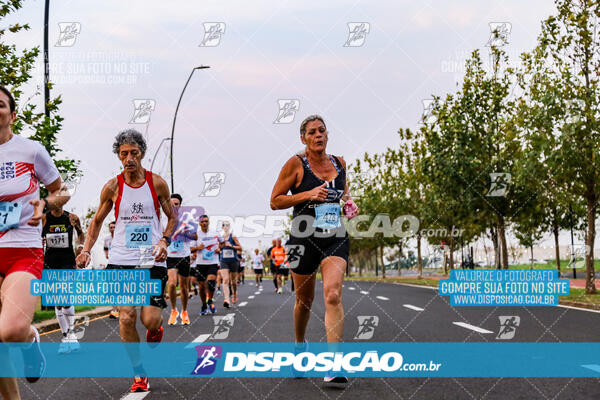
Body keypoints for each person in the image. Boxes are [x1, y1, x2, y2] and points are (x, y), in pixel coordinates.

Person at [76, 129, 176, 393]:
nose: (129, 158)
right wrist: (86, 250)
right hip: (121, 258)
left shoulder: (157, 184)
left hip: (151, 260)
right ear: (118, 156)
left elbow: (173, 217)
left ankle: (157, 328)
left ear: (141, 152)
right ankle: (139, 373)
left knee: (150, 320)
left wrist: (164, 240)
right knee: (126, 316)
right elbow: (97, 221)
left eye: (133, 152)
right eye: (123, 154)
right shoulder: (112, 187)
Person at [270, 114, 359, 385]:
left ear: (327, 135)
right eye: (312, 132)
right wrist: (308, 194)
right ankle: (300, 345)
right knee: (304, 302)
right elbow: (275, 201)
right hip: (302, 237)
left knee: (332, 294)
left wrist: (349, 203)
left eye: (322, 131)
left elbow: (343, 192)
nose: (318, 135)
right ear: (303, 139)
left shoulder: (340, 163)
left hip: (334, 236)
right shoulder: (295, 164)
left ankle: (334, 364)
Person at [0, 86, 70, 399]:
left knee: (11, 331)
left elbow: (62, 190)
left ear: (12, 115)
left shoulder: (31, 150)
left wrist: (46, 203)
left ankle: (30, 340)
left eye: (0, 104)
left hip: (21, 251)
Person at [42, 206, 85, 354]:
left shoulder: (72, 217)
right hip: (50, 263)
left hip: (67, 262)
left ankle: (72, 335)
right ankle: (66, 336)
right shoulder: (44, 219)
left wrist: (81, 247)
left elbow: (81, 234)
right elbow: (37, 237)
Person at [166, 194, 197, 326]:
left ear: (180, 206)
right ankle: (174, 310)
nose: (174, 206)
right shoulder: (164, 220)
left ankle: (184, 311)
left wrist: (183, 233)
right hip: (170, 256)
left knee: (184, 288)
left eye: (176, 204)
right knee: (172, 284)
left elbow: (195, 236)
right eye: (171, 203)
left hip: (184, 255)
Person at [190, 215, 222, 315]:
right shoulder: (196, 235)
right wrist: (198, 248)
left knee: (211, 282)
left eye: (206, 221)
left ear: (208, 222)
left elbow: (223, 243)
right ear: (199, 223)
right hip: (200, 263)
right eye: (202, 222)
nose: (204, 223)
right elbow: (190, 249)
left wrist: (219, 249)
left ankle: (210, 300)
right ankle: (204, 304)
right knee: (202, 287)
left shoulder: (215, 233)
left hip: (213, 262)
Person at [218, 221, 241, 308]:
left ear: (229, 227)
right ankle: (227, 299)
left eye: (228, 225)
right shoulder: (220, 237)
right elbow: (218, 248)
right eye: (224, 225)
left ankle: (234, 293)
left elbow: (240, 248)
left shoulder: (233, 237)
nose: (226, 227)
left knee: (234, 282)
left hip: (233, 261)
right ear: (222, 227)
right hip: (223, 260)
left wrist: (231, 246)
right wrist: (220, 247)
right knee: (226, 279)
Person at [103, 221, 119, 319]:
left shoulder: (120, 238)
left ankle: (121, 308)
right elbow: (105, 248)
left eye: (114, 227)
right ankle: (114, 309)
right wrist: (106, 254)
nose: (112, 229)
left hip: (121, 264)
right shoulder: (107, 239)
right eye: (111, 227)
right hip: (111, 263)